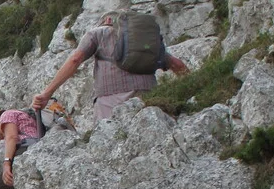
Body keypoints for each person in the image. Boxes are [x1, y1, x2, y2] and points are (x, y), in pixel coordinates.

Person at [31, 12, 188, 121]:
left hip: (112, 99)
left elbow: (75, 60)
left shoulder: (99, 33)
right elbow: (177, 64)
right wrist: (195, 91)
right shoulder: (140, 40)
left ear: (107, 20)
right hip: (149, 95)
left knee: (112, 141)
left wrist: (47, 93)